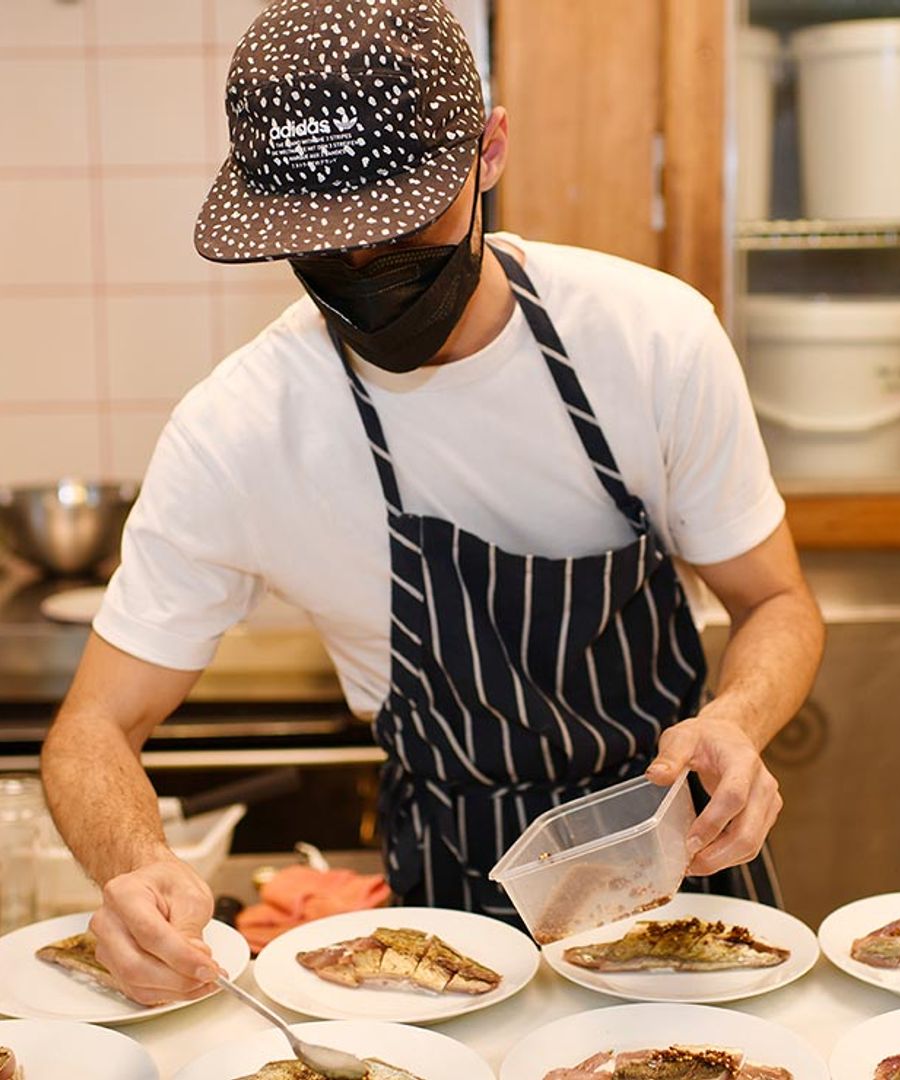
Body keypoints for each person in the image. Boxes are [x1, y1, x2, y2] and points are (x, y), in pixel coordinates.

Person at [40, 0, 824, 1006]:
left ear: (489, 151)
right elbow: (90, 730)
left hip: (685, 874)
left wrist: (739, 718)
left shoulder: (651, 340)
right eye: (327, 243)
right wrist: (131, 864)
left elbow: (778, 604)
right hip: (446, 935)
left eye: (399, 226)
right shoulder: (238, 431)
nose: (366, 269)